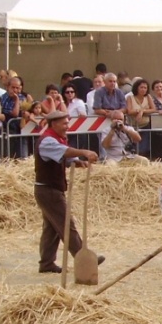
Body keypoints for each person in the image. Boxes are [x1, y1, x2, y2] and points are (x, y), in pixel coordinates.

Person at [33, 111, 103, 274]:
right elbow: (63, 151)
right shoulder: (47, 141)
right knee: (66, 225)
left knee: (52, 229)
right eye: (64, 123)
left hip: (50, 189)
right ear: (54, 124)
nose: (67, 126)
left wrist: (76, 162)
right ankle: (83, 257)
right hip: (48, 190)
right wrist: (83, 152)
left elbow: (61, 156)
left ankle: (46, 263)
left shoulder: (54, 139)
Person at [125, 78, 156, 158]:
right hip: (133, 126)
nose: (143, 89)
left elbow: (153, 109)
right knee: (134, 146)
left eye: (145, 88)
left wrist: (142, 111)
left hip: (145, 125)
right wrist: (139, 111)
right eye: (141, 87)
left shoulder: (148, 97)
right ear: (136, 88)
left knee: (144, 147)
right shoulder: (130, 98)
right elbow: (129, 111)